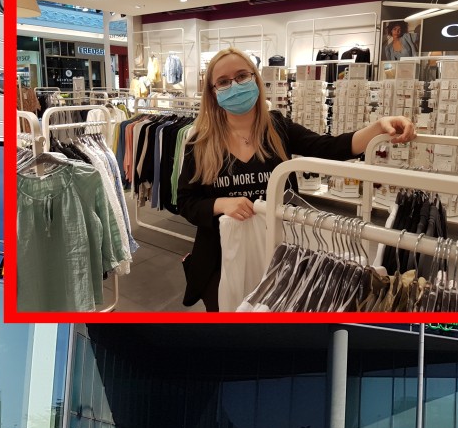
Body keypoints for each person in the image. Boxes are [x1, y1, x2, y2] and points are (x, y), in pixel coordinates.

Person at [176, 47, 417, 311]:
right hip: (220, 259)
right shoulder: (200, 142)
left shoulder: (278, 127)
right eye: (223, 81)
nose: (234, 85)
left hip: (282, 252)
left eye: (242, 76)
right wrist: (221, 204)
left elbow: (330, 147)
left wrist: (377, 127)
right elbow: (186, 202)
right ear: (212, 92)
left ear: (256, 79)